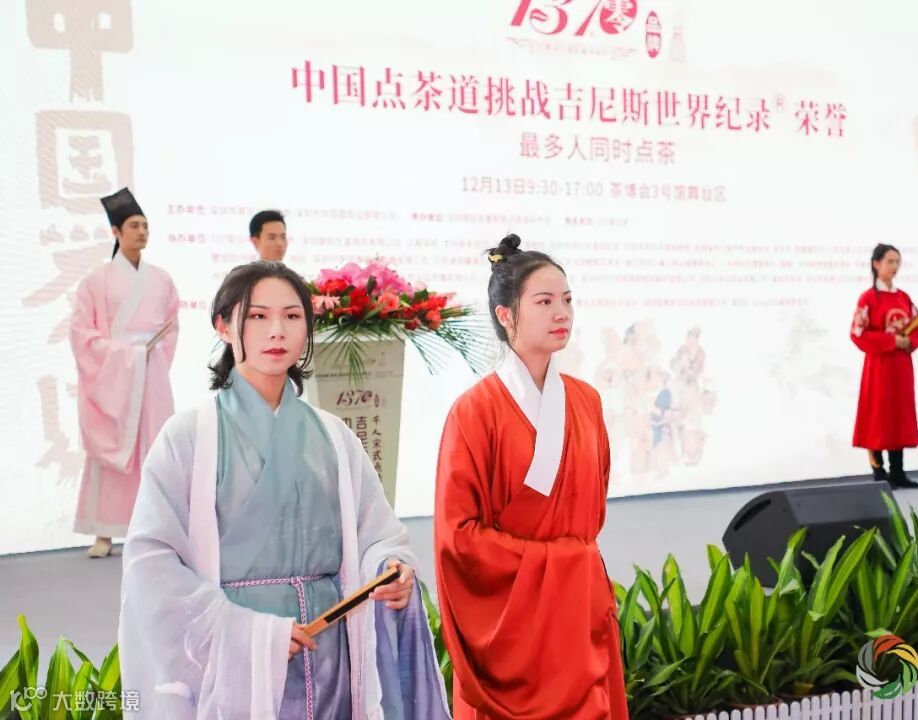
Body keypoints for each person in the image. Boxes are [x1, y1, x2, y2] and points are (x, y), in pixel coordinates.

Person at [118, 262, 449, 719]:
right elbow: (151, 561)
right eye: (258, 316)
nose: (277, 331)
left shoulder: (333, 437)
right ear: (223, 325)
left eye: (292, 316)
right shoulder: (188, 436)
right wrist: (249, 632)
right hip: (239, 658)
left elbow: (376, 532)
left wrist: (390, 568)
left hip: (328, 650)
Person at [434, 234, 629, 720]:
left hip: (577, 619)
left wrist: (576, 568)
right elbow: (458, 538)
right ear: (506, 315)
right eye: (544, 302)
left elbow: (592, 509)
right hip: (510, 627)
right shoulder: (474, 412)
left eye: (567, 300)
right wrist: (566, 562)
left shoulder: (586, 401)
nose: (562, 313)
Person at [71, 187, 178, 558]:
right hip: (114, 377)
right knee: (113, 447)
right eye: (134, 226)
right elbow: (82, 333)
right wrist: (125, 357)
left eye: (145, 226)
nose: (142, 232)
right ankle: (104, 531)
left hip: (151, 374)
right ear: (116, 232)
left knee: (154, 448)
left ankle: (155, 530)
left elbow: (171, 326)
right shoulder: (95, 281)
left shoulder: (161, 279)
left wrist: (152, 356)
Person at [850, 244, 918, 489]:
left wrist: (908, 342)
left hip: (901, 366)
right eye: (890, 261)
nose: (895, 266)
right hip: (879, 365)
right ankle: (878, 470)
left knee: (898, 414)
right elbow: (858, 333)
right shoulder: (868, 298)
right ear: (876, 264)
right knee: (877, 414)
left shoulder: (903, 297)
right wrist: (891, 341)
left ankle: (898, 471)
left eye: (897, 262)